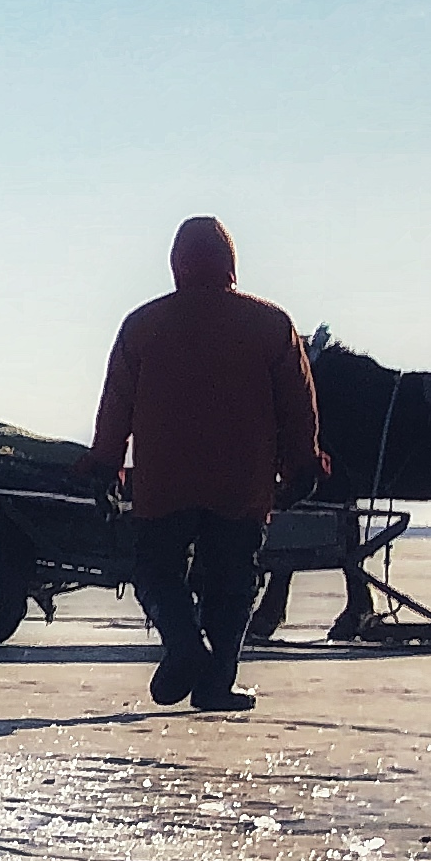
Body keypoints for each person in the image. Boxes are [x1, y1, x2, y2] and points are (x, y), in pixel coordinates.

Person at [80, 217, 327, 713]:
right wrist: (304, 465)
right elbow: (299, 405)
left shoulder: (142, 326)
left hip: (165, 479)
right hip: (243, 480)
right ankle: (215, 683)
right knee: (235, 580)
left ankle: (186, 647)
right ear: (232, 264)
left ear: (176, 265)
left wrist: (105, 464)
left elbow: (116, 407)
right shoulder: (272, 326)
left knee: (156, 569)